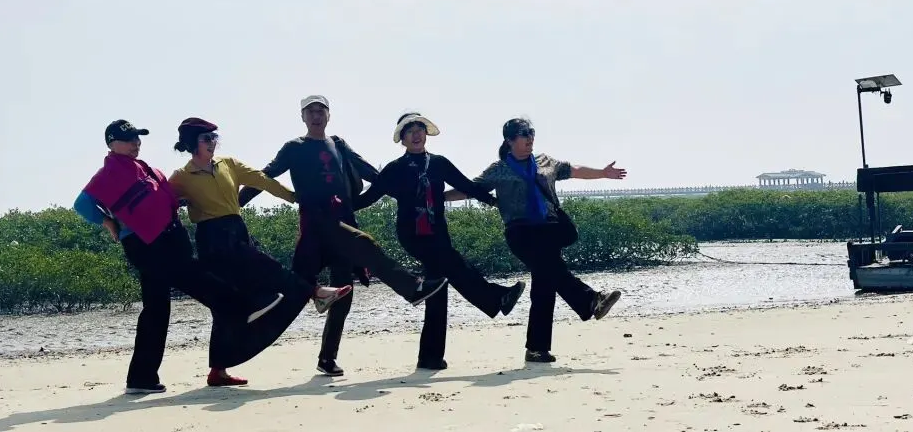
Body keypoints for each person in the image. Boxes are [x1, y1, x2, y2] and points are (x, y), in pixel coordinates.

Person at [239, 94, 448, 376]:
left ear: (329, 115)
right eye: (311, 111)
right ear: (302, 117)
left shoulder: (338, 144)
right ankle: (412, 288)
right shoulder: (294, 147)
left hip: (341, 222)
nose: (316, 116)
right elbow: (265, 176)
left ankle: (326, 357)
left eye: (321, 111)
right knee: (359, 246)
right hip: (316, 225)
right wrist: (237, 203)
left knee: (340, 292)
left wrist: (405, 190)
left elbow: (370, 172)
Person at [72, 119, 287, 395]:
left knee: (156, 308)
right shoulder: (108, 173)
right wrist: (107, 222)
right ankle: (243, 306)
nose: (136, 143)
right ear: (112, 144)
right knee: (191, 274)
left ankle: (141, 377)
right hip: (146, 243)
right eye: (129, 139)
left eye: (137, 138)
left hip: (167, 236)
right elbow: (82, 204)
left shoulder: (140, 168)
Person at [168, 117, 352, 387]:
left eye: (214, 138)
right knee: (266, 268)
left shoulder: (228, 164)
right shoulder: (182, 177)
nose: (212, 143)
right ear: (191, 143)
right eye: (206, 138)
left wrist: (293, 197)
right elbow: (162, 203)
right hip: (211, 238)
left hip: (236, 228)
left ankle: (218, 371)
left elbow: (262, 180)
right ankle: (315, 292)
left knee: (225, 305)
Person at [354, 112, 527, 370]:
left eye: (419, 129)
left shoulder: (439, 163)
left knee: (438, 286)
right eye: (410, 131)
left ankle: (430, 356)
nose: (416, 134)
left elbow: (466, 185)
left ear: (426, 134)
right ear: (402, 139)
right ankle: (496, 297)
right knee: (454, 264)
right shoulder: (394, 169)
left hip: (438, 231)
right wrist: (339, 206)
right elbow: (369, 198)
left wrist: (491, 200)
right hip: (412, 234)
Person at [445, 117, 625, 364]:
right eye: (523, 134)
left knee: (545, 284)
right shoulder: (499, 169)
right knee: (551, 273)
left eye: (531, 133)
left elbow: (573, 170)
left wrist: (602, 173)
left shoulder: (544, 161)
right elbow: (470, 189)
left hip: (550, 229)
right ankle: (590, 299)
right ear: (509, 141)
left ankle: (537, 349)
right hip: (520, 232)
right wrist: (437, 197)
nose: (529, 138)